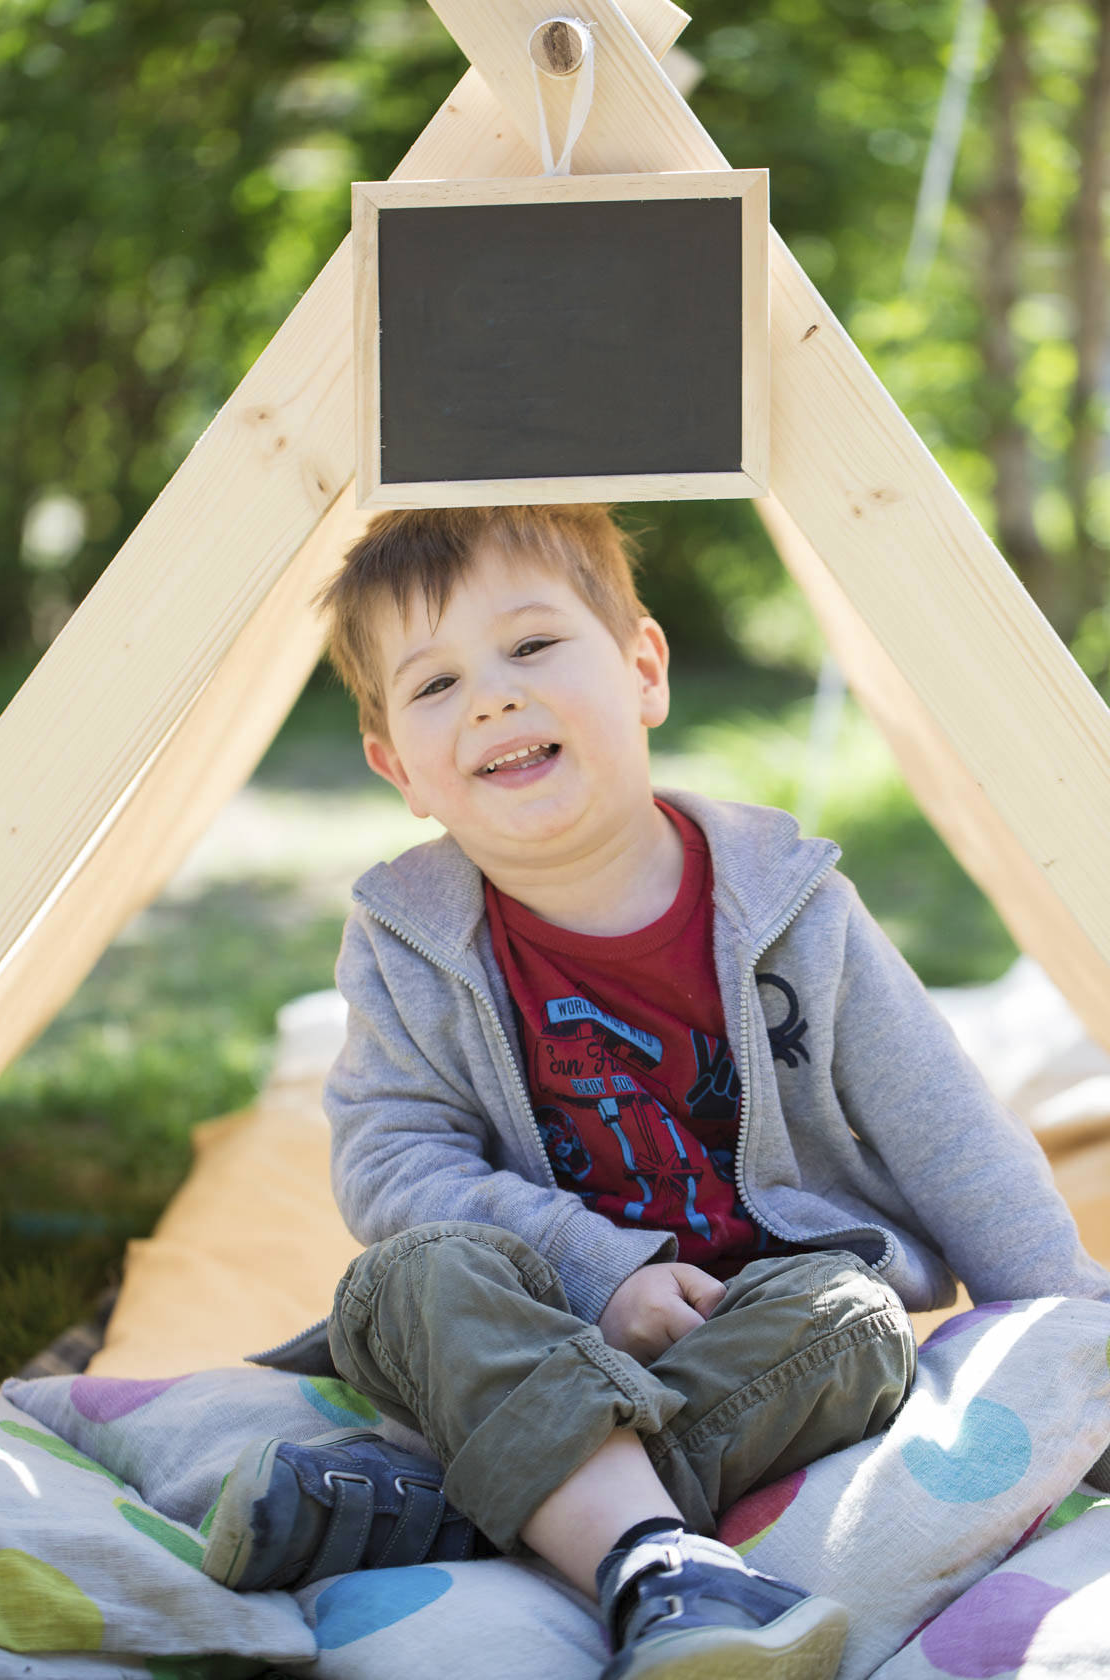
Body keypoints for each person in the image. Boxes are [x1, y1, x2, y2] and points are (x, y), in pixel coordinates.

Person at [202, 505, 1110, 1680]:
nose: (490, 698)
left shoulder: (791, 906)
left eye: (531, 648)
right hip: (533, 1330)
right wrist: (598, 1269)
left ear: (642, 672)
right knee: (408, 1273)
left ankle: (477, 1510)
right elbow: (392, 1164)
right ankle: (655, 1554)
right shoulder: (405, 941)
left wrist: (1081, 1339)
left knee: (855, 1317)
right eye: (435, 685)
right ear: (397, 769)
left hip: (751, 1337)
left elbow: (949, 1139)